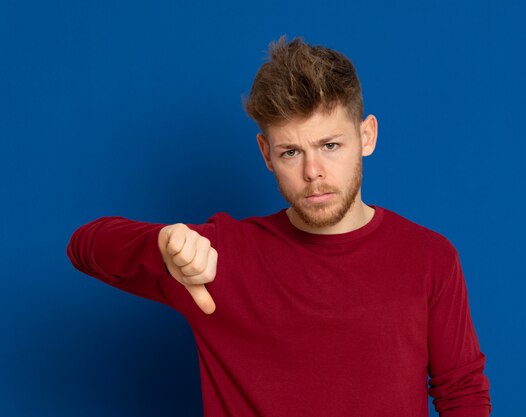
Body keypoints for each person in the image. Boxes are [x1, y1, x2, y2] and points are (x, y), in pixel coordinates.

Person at [67, 36, 491, 417]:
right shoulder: (217, 257)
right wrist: (160, 243)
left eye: (330, 145)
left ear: (367, 136)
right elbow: (85, 247)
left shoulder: (428, 257)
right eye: (290, 152)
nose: (313, 171)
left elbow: (462, 392)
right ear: (265, 154)